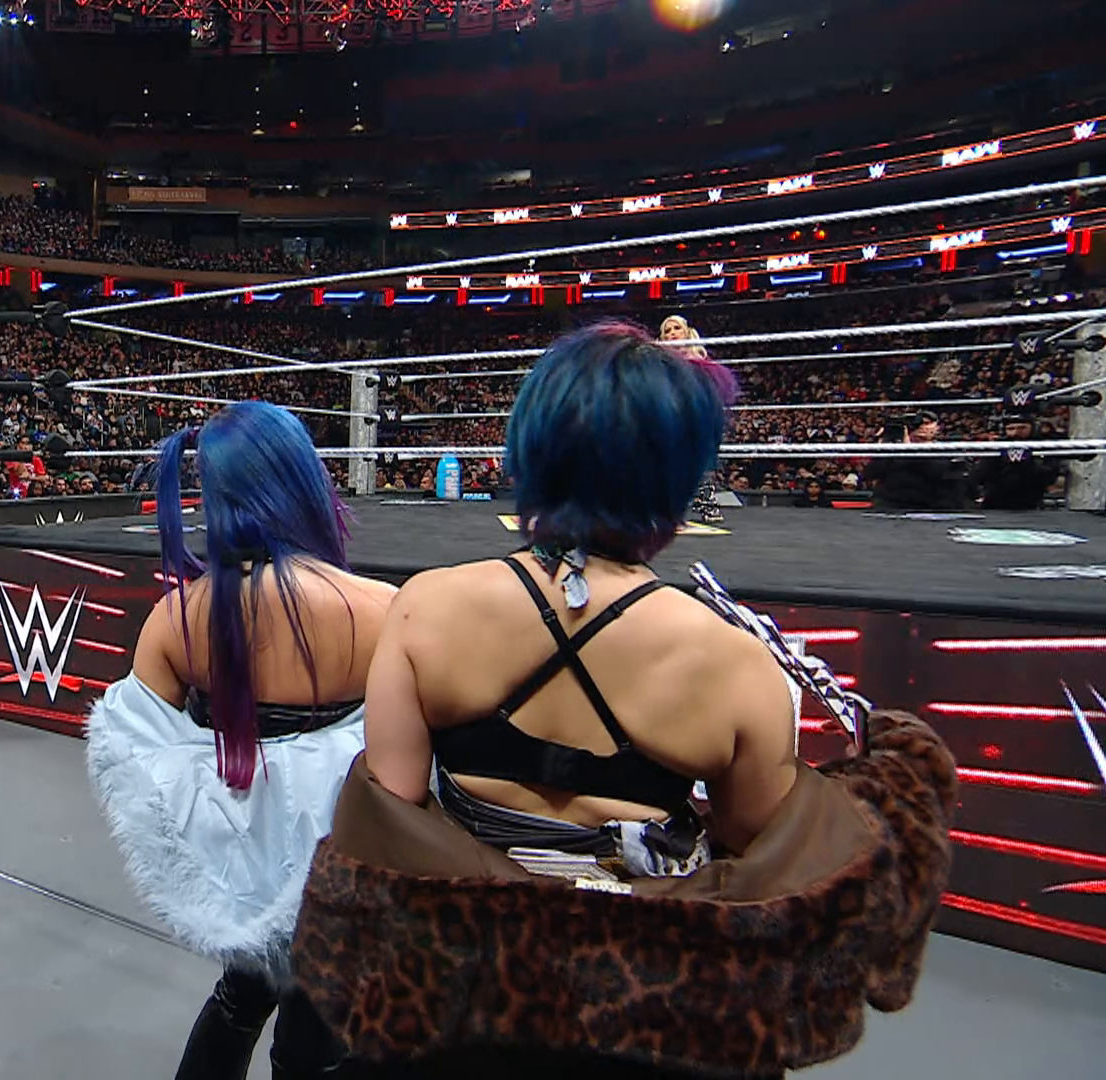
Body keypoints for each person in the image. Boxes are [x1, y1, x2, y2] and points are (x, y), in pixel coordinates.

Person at [287, 322, 957, 1078]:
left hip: (465, 991)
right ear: (679, 475)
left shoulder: (425, 608)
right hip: (644, 1013)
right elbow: (754, 847)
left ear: (530, 448)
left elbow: (390, 814)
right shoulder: (737, 665)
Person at [86, 401, 396, 1080]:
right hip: (347, 866)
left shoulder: (176, 620)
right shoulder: (384, 611)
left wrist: (225, 828)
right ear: (303, 482)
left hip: (245, 879)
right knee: (318, 1014)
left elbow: (130, 751)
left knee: (243, 994)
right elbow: (418, 758)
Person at [659, 316, 724, 524]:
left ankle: (706, 501)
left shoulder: (701, 362)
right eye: (667, 331)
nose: (672, 333)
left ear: (687, 332)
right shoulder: (659, 363)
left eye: (676, 328)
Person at [977, 412, 1061, 510]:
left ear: (1033, 428)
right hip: (996, 503)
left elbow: (1050, 475)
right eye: (1011, 429)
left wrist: (1024, 462)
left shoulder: (1042, 446)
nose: (1016, 433)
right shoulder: (996, 447)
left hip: (1031, 502)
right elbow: (981, 475)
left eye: (1022, 428)